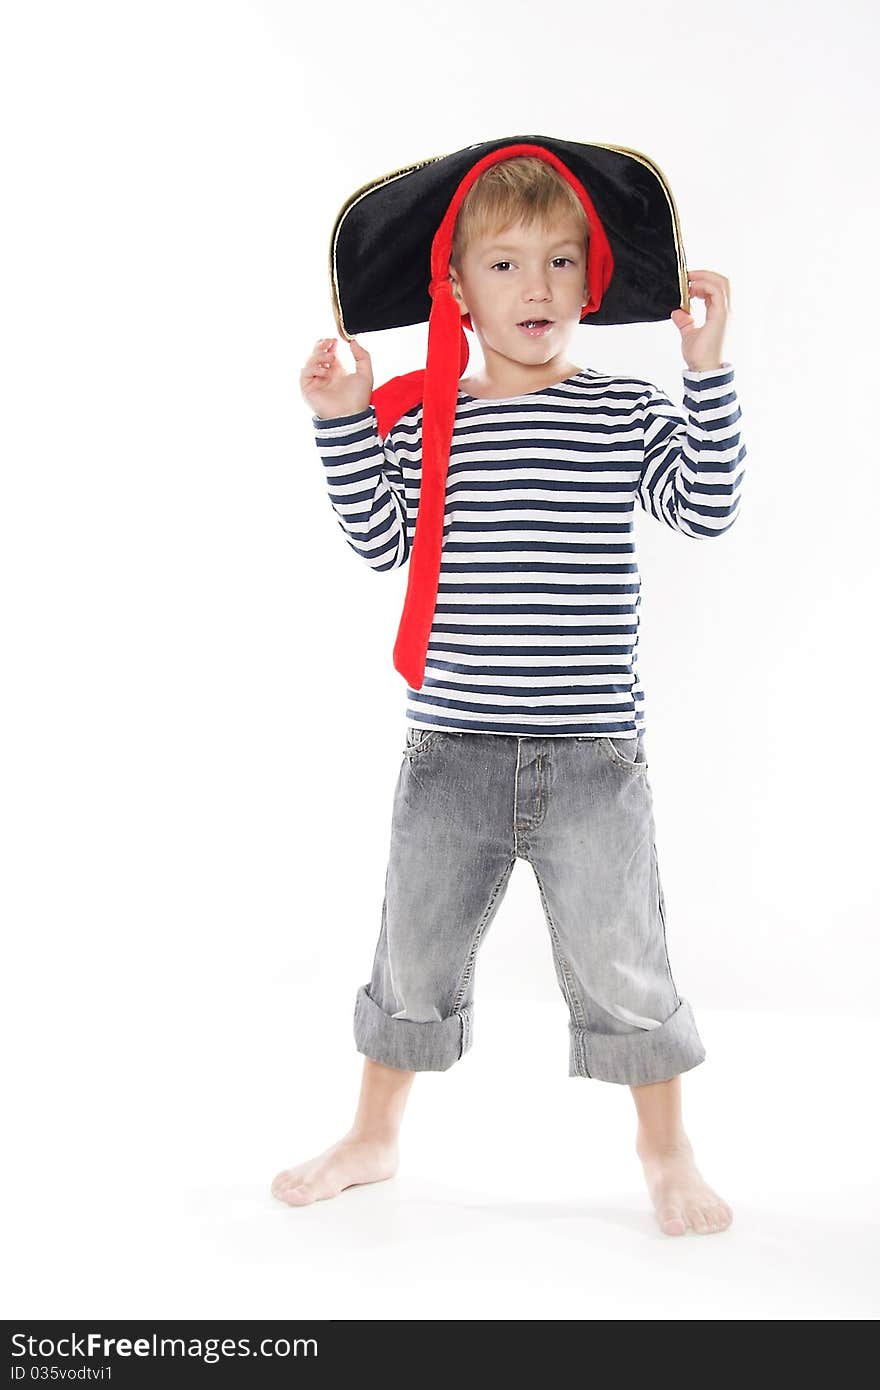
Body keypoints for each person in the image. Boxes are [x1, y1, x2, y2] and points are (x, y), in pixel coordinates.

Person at [273, 148, 743, 1236]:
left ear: (590, 283)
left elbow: (706, 505)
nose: (535, 287)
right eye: (505, 263)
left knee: (626, 958)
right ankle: (374, 1132)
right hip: (450, 749)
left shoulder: (621, 410)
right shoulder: (426, 419)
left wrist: (707, 370)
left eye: (559, 262)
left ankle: (664, 1145)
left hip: (590, 756)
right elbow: (379, 539)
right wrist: (344, 421)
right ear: (458, 290)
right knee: (413, 952)